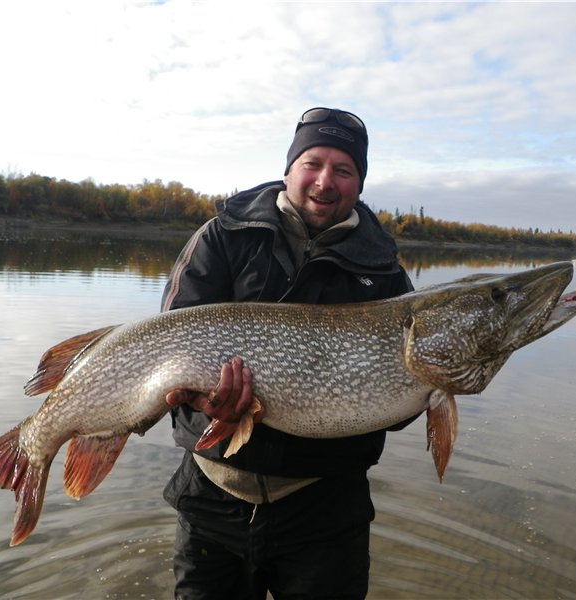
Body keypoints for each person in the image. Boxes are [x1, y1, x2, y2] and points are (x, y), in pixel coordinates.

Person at [160, 107, 414, 599]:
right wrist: (200, 399)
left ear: (358, 184)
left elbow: (395, 405)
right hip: (212, 498)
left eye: (344, 170)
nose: (325, 181)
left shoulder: (384, 274)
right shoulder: (224, 236)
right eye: (312, 163)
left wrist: (442, 374)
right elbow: (175, 336)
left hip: (325, 511)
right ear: (288, 169)